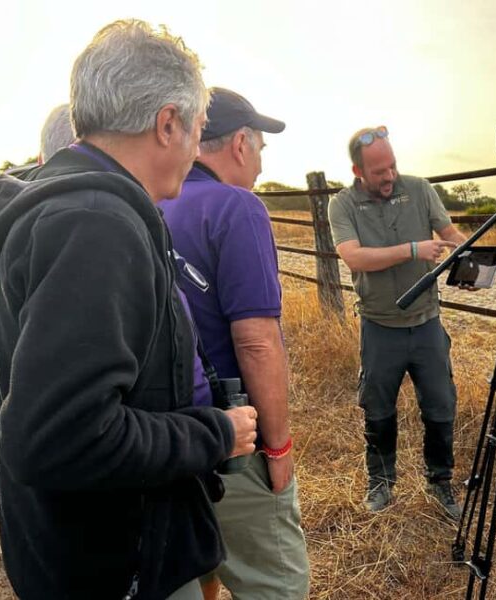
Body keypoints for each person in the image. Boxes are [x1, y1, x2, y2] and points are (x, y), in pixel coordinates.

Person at [0, 20, 258, 600]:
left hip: (70, 550)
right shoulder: (96, 224)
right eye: (198, 129)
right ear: (167, 123)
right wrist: (213, 433)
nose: (198, 150)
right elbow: (59, 437)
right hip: (112, 562)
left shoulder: (72, 203)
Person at [161, 87, 309, 600]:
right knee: (278, 585)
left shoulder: (147, 200)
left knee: (198, 564)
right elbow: (257, 342)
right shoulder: (236, 207)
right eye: (262, 150)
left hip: (164, 440)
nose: (262, 167)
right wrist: (279, 446)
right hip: (232, 440)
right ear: (241, 142)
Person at [328, 126, 470, 519]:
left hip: (426, 321)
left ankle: (441, 482)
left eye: (391, 167)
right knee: (377, 406)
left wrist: (467, 260)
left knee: (441, 403)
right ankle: (381, 482)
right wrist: (413, 250)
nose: (388, 176)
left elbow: (449, 233)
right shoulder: (342, 205)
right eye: (378, 172)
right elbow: (354, 258)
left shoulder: (421, 189)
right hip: (379, 325)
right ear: (358, 171)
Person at [0, 103, 75, 326]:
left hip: (8, 356)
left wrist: (10, 329)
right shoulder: (89, 216)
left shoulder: (1, 210)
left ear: (40, 160)